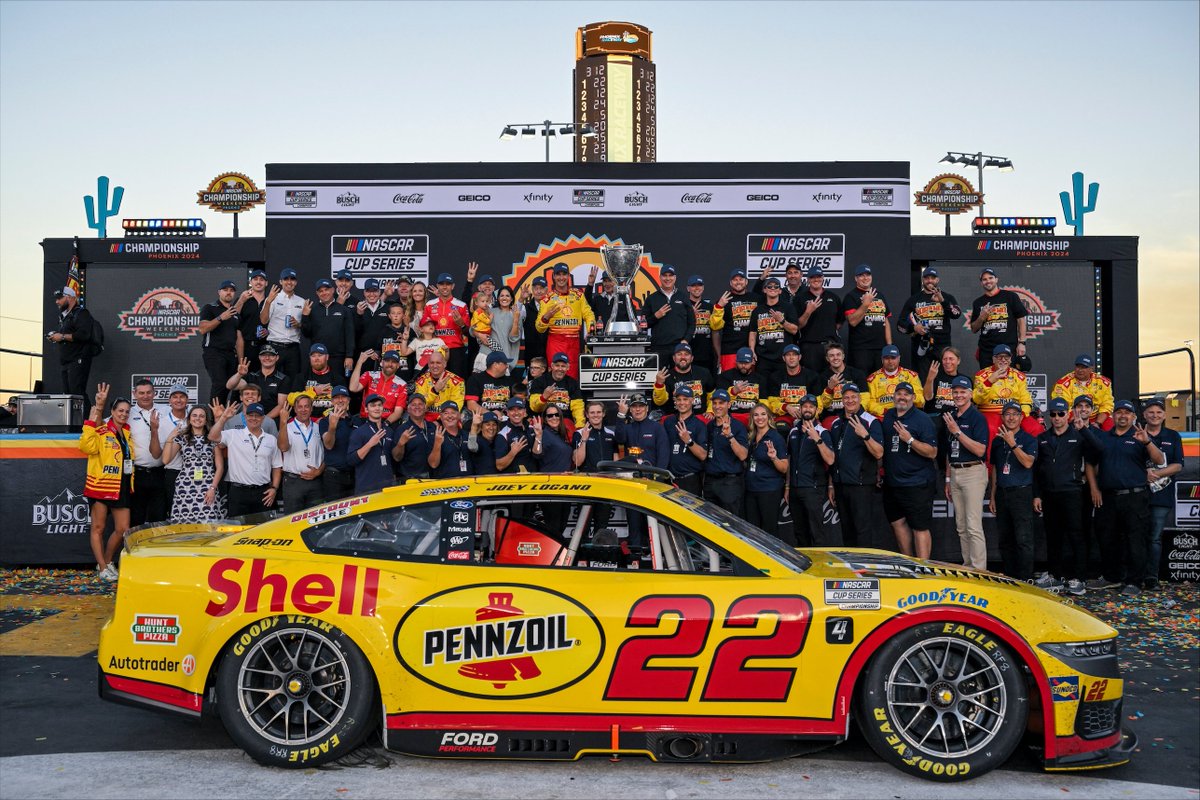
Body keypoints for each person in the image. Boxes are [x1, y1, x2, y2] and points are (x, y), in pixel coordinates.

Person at [1089, 400, 1164, 595]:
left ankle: (1134, 582)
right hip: (1108, 497)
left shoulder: (1140, 435)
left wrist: (1147, 442)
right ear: (1113, 416)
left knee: (1135, 540)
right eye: (1119, 412)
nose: (1123, 416)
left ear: (1133, 417)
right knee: (1107, 539)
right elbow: (1091, 463)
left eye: (1127, 413)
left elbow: (1160, 460)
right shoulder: (1103, 437)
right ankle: (1111, 577)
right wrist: (1094, 489)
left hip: (1135, 497)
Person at [1033, 397, 1103, 596]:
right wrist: (1037, 495)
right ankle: (1055, 575)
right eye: (1053, 414)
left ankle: (1079, 578)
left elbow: (1099, 449)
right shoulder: (1043, 437)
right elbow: (1037, 470)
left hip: (1072, 492)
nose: (1057, 418)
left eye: (1061, 414)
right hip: (1049, 493)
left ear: (1068, 414)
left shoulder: (1078, 435)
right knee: (1053, 536)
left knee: (1076, 535)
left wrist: (1084, 429)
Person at [79, 383, 133, 580]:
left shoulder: (127, 433)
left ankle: (108, 561)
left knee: (123, 529)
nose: (123, 414)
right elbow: (86, 447)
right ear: (112, 411)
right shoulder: (101, 431)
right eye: (120, 411)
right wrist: (95, 412)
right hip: (100, 486)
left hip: (121, 486)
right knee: (98, 528)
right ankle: (102, 568)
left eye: (127, 411)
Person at [881, 382, 938, 558]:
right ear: (893, 396)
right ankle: (909, 564)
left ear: (913, 397)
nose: (902, 397)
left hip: (917, 482)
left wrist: (910, 440)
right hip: (892, 482)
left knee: (920, 527)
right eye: (899, 394)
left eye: (906, 394)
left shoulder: (922, 419)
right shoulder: (888, 416)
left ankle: (923, 567)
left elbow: (932, 452)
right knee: (897, 523)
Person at [985, 400, 1039, 581]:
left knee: (1023, 539)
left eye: (1015, 414)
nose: (1011, 418)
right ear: (1002, 417)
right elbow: (995, 469)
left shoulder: (1029, 439)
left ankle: (1026, 578)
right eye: (1007, 414)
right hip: (1002, 492)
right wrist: (993, 496)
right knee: (1005, 539)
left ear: (1021, 417)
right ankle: (1010, 577)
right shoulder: (997, 441)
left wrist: (1013, 444)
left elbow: (1028, 463)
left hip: (1021, 493)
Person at [943, 376, 990, 570]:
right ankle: (968, 566)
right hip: (955, 472)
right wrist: (948, 478)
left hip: (973, 471)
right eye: (955, 392)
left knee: (973, 525)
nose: (958, 395)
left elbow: (980, 450)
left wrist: (957, 432)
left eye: (963, 392)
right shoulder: (952, 416)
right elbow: (949, 451)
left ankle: (980, 571)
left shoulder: (977, 417)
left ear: (970, 394)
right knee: (961, 526)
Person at [829, 383, 884, 548]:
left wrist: (865, 436)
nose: (850, 400)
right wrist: (831, 484)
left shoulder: (870, 421)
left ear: (860, 398)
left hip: (861, 484)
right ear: (842, 400)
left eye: (853, 397)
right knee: (846, 531)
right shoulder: (836, 423)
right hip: (840, 484)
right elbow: (833, 456)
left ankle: (865, 563)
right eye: (846, 397)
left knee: (863, 530)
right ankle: (851, 564)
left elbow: (879, 453)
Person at [209, 399, 282, 518]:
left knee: (262, 527)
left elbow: (277, 466)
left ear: (263, 418)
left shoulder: (271, 440)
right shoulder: (234, 434)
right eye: (251, 415)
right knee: (237, 527)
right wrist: (223, 418)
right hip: (238, 492)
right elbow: (212, 436)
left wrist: (274, 488)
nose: (254, 418)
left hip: (263, 492)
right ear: (245, 417)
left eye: (257, 416)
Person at [1142, 397, 1184, 589]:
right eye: (1151, 412)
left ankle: (1151, 578)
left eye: (1159, 412)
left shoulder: (1173, 436)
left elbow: (1178, 465)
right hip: (1137, 494)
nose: (1155, 415)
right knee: (1134, 536)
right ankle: (1133, 576)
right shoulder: (1136, 433)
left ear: (1165, 415)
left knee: (1154, 538)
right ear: (1144, 415)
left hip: (1162, 496)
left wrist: (1156, 474)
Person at [161, 404, 226, 522]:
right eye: (194, 415)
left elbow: (220, 467)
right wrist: (170, 438)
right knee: (185, 523)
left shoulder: (212, 438)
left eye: (201, 416)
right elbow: (165, 460)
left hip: (208, 486)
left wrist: (212, 488)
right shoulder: (182, 437)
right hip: (185, 486)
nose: (198, 418)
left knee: (208, 523)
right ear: (189, 419)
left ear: (206, 420)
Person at [786, 395, 835, 547]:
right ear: (800, 409)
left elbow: (831, 460)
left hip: (813, 489)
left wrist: (817, 439)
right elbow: (789, 460)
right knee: (800, 533)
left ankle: (821, 562)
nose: (808, 409)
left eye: (811, 406)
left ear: (816, 410)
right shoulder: (793, 431)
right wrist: (787, 487)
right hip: (795, 489)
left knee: (817, 532)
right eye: (805, 406)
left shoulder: (822, 432)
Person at [896, 267, 962, 377]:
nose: (930, 280)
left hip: (943, 347)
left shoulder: (947, 297)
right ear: (922, 280)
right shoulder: (914, 299)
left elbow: (957, 314)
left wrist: (942, 301)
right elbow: (899, 325)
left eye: (933, 278)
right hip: (921, 346)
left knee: (943, 380)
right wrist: (914, 328)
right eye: (927, 278)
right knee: (923, 380)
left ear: (938, 280)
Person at [535, 262, 595, 380]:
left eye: (564, 274)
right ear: (553, 276)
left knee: (572, 376)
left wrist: (591, 330)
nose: (561, 278)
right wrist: (546, 317)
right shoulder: (547, 299)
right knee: (555, 375)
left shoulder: (578, 295)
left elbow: (589, 314)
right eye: (558, 274)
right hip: (555, 341)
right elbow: (539, 328)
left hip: (574, 342)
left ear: (568, 276)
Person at [972, 343, 1035, 452]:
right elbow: (977, 399)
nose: (1003, 360)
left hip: (1015, 413)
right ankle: (989, 463)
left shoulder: (1019, 376)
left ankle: (1031, 461)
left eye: (1006, 357)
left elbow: (1026, 400)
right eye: (999, 357)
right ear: (993, 359)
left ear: (1010, 360)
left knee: (1035, 428)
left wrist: (1021, 416)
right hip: (991, 413)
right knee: (990, 430)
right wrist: (989, 382)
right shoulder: (981, 375)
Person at [744, 402, 789, 542]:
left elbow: (784, 468)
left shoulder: (776, 438)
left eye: (763, 414)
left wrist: (774, 458)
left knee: (769, 531)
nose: (760, 418)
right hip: (751, 489)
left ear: (769, 417)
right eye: (756, 415)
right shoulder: (752, 436)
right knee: (753, 530)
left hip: (768, 490)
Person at [126, 379, 167, 527]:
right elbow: (104, 426)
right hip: (137, 474)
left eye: (149, 392)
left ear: (155, 393)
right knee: (136, 520)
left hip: (161, 473)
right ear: (134, 394)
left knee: (159, 520)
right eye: (141, 393)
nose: (145, 396)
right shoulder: (127, 413)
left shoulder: (166, 410)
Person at [199, 279, 247, 403]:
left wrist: (241, 361)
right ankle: (213, 414)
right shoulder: (210, 308)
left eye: (231, 290)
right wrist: (221, 317)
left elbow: (239, 339)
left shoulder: (235, 314)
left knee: (230, 385)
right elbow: (203, 329)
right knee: (219, 383)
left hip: (231, 354)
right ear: (219, 292)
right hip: (213, 352)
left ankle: (224, 412)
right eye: (225, 290)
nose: (228, 292)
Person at [969, 267, 1028, 369]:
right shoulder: (978, 302)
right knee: (987, 378)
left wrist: (1022, 343)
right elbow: (974, 328)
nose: (988, 281)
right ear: (981, 283)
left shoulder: (1010, 297)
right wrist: (981, 317)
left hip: (1008, 348)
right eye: (984, 279)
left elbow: (1021, 320)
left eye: (990, 278)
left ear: (996, 279)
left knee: (1008, 378)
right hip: (987, 350)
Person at [49, 286, 96, 410]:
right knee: (68, 394)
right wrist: (55, 336)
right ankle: (73, 421)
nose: (57, 301)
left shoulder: (82, 313)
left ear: (70, 297)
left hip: (78, 358)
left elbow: (84, 334)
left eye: (60, 298)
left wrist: (61, 336)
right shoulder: (64, 316)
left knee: (77, 392)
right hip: (66, 361)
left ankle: (89, 420)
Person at [703, 389, 749, 516]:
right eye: (715, 403)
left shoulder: (738, 426)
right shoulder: (709, 426)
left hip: (730, 483)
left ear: (729, 405)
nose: (717, 406)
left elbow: (743, 455)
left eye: (721, 403)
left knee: (730, 522)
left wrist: (730, 436)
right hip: (710, 482)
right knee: (709, 522)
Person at [277, 394, 325, 513]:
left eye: (306, 406)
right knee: (293, 519)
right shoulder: (287, 427)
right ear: (295, 409)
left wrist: (319, 471)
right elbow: (283, 447)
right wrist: (283, 422)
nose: (303, 410)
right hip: (293, 482)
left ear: (311, 408)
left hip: (315, 482)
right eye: (300, 407)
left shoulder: (319, 427)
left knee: (315, 519)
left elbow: (327, 453)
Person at [841, 264, 892, 375]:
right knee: (861, 381)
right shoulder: (851, 296)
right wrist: (865, 304)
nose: (865, 278)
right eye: (861, 275)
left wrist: (889, 345)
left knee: (879, 380)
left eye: (868, 275)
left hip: (880, 348)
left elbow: (886, 321)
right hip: (861, 349)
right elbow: (852, 322)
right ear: (856, 278)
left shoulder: (880, 295)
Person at [643, 264, 695, 368]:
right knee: (659, 376)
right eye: (665, 275)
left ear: (675, 278)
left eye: (670, 275)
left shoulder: (683, 297)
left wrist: (686, 340)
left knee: (678, 376)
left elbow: (692, 323)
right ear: (660, 277)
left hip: (678, 347)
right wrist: (656, 316)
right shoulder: (651, 299)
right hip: (658, 347)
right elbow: (643, 325)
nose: (667, 278)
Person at [348, 394, 402, 493]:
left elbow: (395, 459)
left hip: (387, 487)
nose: (377, 408)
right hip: (366, 488)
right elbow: (351, 460)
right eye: (373, 405)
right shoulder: (358, 432)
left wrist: (401, 444)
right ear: (366, 409)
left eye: (379, 405)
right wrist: (369, 444)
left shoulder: (389, 431)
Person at [749, 276, 800, 382]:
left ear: (780, 291)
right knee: (763, 387)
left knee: (781, 388)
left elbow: (794, 330)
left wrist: (782, 320)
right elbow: (753, 333)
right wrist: (752, 350)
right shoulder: (757, 310)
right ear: (764, 290)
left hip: (782, 358)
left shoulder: (788, 307)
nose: (773, 288)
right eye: (769, 286)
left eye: (776, 286)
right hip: (763, 358)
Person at [421, 272, 471, 377]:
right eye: (441, 284)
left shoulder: (461, 305)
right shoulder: (430, 305)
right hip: (435, 348)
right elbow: (424, 328)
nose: (444, 287)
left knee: (456, 381)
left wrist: (462, 324)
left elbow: (469, 333)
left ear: (453, 286)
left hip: (455, 350)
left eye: (448, 284)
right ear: (437, 286)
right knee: (434, 382)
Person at [661, 385, 708, 496]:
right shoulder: (668, 422)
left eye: (685, 399)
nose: (682, 403)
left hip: (690, 481)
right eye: (679, 399)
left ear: (692, 400)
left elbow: (703, 455)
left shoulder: (699, 425)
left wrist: (689, 440)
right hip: (669, 479)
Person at [259, 268, 306, 378]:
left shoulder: (301, 301)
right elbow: (263, 320)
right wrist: (268, 302)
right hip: (275, 347)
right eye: (286, 279)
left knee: (293, 381)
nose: (289, 282)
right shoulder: (272, 298)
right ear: (281, 281)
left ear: (296, 282)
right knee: (272, 380)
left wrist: (298, 324)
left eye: (292, 279)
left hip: (293, 348)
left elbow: (307, 326)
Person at [795, 266, 841, 374]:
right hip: (809, 347)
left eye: (819, 276)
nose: (816, 279)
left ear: (823, 278)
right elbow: (798, 326)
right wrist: (808, 311)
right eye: (812, 277)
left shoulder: (833, 297)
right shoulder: (800, 298)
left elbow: (839, 323)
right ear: (808, 279)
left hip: (830, 346)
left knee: (832, 378)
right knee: (812, 379)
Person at [714, 347, 775, 427]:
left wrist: (767, 414)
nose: (743, 366)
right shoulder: (725, 376)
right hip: (732, 415)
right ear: (736, 361)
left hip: (753, 417)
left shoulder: (760, 379)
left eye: (746, 363)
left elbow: (763, 401)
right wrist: (732, 391)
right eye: (741, 363)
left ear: (752, 362)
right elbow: (719, 400)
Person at [226, 344, 289, 421]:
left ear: (277, 357)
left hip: (270, 420)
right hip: (249, 419)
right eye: (264, 355)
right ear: (259, 357)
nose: (267, 358)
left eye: (271, 355)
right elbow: (229, 386)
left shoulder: (283, 379)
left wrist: (263, 420)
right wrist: (239, 374)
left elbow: (281, 405)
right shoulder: (251, 376)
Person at [1051, 354, 1115, 430]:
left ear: (1091, 369)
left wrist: (1098, 423)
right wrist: (1079, 421)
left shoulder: (1103, 382)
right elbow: (1062, 407)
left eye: (1084, 367)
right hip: (1072, 417)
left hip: (1096, 417)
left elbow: (1107, 405)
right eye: (1078, 367)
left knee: (1110, 424)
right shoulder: (1063, 384)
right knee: (1062, 418)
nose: (1080, 370)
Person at [715, 268, 761, 372]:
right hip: (730, 350)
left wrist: (761, 279)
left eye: (741, 279)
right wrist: (719, 306)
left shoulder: (757, 298)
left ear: (746, 282)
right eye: (735, 280)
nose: (738, 282)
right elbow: (715, 327)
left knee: (752, 381)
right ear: (730, 283)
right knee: (729, 379)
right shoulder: (724, 299)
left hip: (753, 350)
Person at [815, 341, 869, 428]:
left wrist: (856, 413)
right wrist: (829, 388)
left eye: (838, 354)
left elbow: (865, 399)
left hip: (854, 414)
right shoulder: (822, 377)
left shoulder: (857, 374)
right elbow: (822, 404)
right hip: (831, 416)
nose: (835, 358)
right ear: (827, 358)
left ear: (843, 356)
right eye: (831, 355)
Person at [651, 342, 713, 416]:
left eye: (686, 354)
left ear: (692, 358)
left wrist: (710, 411)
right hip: (675, 419)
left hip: (699, 417)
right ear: (674, 358)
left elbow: (712, 394)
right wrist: (659, 384)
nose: (683, 357)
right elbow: (659, 402)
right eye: (679, 354)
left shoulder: (703, 372)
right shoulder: (666, 376)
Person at [319, 386, 359, 500]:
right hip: (334, 477)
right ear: (332, 401)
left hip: (355, 475)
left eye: (344, 397)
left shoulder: (357, 421)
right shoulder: (324, 421)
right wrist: (332, 427)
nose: (340, 400)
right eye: (337, 397)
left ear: (349, 400)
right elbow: (328, 445)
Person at [528, 352, 586, 429]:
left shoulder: (573, 383)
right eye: (557, 365)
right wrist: (543, 397)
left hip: (565, 421)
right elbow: (534, 408)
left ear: (568, 367)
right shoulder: (539, 381)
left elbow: (578, 407)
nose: (560, 369)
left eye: (563, 366)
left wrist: (580, 427)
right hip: (545, 421)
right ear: (552, 366)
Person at [864, 344, 924, 418]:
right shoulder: (873, 379)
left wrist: (905, 401)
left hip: (907, 414)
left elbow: (921, 400)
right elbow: (869, 402)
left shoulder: (911, 376)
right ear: (882, 360)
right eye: (887, 358)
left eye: (893, 358)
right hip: (883, 416)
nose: (890, 361)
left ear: (899, 358)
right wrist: (885, 411)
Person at [772, 344, 822, 428]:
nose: (791, 358)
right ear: (784, 358)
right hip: (784, 416)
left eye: (794, 355)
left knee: (809, 429)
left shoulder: (812, 376)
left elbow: (819, 402)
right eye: (788, 355)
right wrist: (786, 407)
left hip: (806, 415)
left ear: (799, 357)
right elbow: (772, 402)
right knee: (781, 428)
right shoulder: (776, 377)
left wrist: (807, 413)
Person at [350, 349, 407, 423]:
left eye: (394, 362)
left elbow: (398, 412)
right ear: (381, 363)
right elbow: (353, 388)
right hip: (365, 420)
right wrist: (360, 362)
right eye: (387, 361)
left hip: (386, 421)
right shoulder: (369, 375)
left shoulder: (402, 384)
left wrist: (385, 425)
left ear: (398, 365)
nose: (390, 364)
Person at [293, 343, 348, 417]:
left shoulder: (338, 379)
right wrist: (314, 391)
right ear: (310, 358)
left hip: (330, 419)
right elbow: (293, 401)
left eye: (320, 355)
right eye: (313, 356)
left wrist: (325, 419)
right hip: (306, 419)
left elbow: (343, 404)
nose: (316, 359)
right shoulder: (301, 377)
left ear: (327, 357)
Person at [684, 275, 724, 375]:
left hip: (707, 355)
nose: (697, 288)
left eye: (699, 285)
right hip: (687, 354)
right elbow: (678, 329)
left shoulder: (710, 307)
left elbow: (715, 332)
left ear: (703, 288)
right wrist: (690, 315)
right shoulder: (683, 306)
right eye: (693, 285)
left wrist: (719, 353)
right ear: (688, 288)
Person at [411, 350, 465, 420]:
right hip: (425, 419)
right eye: (432, 363)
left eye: (438, 363)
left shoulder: (457, 382)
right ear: (428, 364)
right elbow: (419, 406)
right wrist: (435, 390)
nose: (435, 366)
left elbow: (455, 408)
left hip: (447, 419)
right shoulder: (421, 381)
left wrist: (438, 418)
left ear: (445, 364)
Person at [393, 393, 435, 482]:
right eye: (413, 404)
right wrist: (400, 444)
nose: (417, 407)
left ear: (425, 408)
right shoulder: (402, 429)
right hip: (411, 478)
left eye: (420, 404)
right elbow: (396, 458)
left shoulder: (433, 427)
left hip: (433, 476)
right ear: (408, 409)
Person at [353, 278, 394, 370]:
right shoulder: (357, 309)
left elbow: (391, 331)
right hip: (362, 356)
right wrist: (359, 315)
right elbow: (353, 333)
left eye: (375, 291)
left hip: (383, 356)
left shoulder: (388, 308)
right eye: (368, 291)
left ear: (379, 292)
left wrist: (380, 351)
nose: (372, 294)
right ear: (364, 292)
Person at [428, 401, 474, 479]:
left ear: (459, 415)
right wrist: (437, 444)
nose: (450, 416)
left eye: (453, 413)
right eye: (446, 413)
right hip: (445, 484)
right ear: (441, 416)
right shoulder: (435, 436)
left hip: (468, 482)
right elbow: (433, 464)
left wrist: (475, 426)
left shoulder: (467, 435)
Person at [236, 270, 270, 373]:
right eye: (255, 279)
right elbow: (231, 317)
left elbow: (276, 323)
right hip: (246, 347)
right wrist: (241, 300)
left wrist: (268, 331)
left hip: (266, 347)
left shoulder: (270, 301)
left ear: (266, 283)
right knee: (245, 378)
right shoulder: (243, 299)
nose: (258, 282)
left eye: (261, 279)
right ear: (251, 282)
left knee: (264, 378)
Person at [466, 351, 518, 417]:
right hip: (483, 418)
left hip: (505, 418)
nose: (507, 366)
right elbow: (471, 405)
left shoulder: (510, 381)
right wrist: (491, 414)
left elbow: (517, 402)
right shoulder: (475, 379)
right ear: (495, 365)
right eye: (505, 363)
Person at [496, 397, 538, 474]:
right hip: (514, 480)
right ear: (507, 413)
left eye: (519, 409)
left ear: (525, 412)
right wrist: (512, 453)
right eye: (512, 409)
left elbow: (538, 455)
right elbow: (499, 466)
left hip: (534, 478)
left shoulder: (532, 429)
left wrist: (539, 437)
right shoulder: (503, 434)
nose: (516, 413)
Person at [573, 400, 617, 472]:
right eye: (592, 412)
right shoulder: (579, 433)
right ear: (587, 415)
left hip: (608, 476)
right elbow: (577, 462)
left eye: (598, 412)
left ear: (603, 414)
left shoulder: (611, 434)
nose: (595, 415)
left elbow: (616, 460)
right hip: (588, 477)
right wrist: (583, 440)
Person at [487, 286, 525, 368]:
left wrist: (516, 319)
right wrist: (480, 335)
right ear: (498, 298)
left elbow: (514, 339)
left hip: (506, 358)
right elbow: (474, 329)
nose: (504, 298)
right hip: (488, 355)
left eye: (507, 296)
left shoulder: (516, 314)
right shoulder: (490, 312)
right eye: (502, 296)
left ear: (511, 299)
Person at [520, 276, 550, 376]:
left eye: (541, 288)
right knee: (531, 383)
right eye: (536, 288)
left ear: (547, 290)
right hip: (531, 354)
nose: (539, 291)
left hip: (548, 353)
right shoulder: (525, 307)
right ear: (532, 290)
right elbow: (516, 316)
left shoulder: (552, 307)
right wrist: (521, 299)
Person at [532, 406, 574, 474]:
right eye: (550, 416)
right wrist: (538, 436)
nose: (554, 418)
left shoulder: (562, 434)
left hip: (564, 478)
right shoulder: (544, 433)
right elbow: (537, 453)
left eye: (557, 415)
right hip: (550, 478)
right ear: (545, 418)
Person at [468, 410, 503, 476]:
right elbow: (472, 447)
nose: (491, 428)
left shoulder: (499, 440)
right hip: (482, 481)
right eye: (488, 424)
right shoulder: (479, 440)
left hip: (499, 480)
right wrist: (474, 426)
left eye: (494, 425)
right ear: (481, 427)